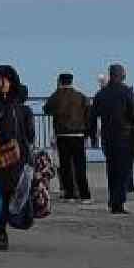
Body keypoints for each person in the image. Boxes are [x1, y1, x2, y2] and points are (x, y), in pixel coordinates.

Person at [0, 65, 35, 251]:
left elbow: (24, 135)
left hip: (16, 159)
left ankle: (6, 226)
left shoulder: (15, 106)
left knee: (13, 193)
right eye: (1, 80)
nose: (4, 84)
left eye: (7, 80)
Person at [90, 64, 134, 213]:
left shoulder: (101, 94)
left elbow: (92, 117)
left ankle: (113, 200)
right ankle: (118, 203)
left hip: (107, 136)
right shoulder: (127, 92)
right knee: (123, 170)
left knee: (111, 169)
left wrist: (93, 137)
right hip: (124, 136)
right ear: (122, 75)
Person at [44, 73, 91, 203]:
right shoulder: (80, 96)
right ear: (72, 81)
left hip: (62, 135)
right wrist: (87, 132)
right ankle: (85, 195)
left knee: (65, 166)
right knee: (80, 166)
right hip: (78, 135)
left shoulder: (56, 95)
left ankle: (69, 194)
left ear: (60, 81)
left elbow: (46, 109)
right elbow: (88, 113)